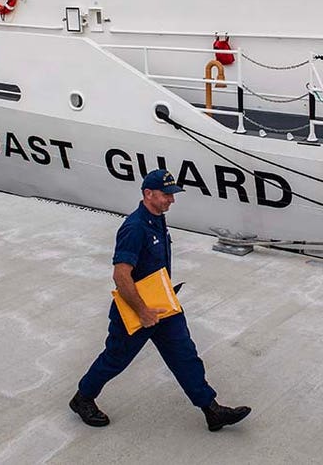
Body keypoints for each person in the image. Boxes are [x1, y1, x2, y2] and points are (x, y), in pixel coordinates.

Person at [71, 169, 251, 432]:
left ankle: (211, 409)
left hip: (164, 305)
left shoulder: (157, 219)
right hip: (137, 310)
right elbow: (121, 276)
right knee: (115, 358)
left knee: (185, 356)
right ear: (148, 194)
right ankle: (82, 398)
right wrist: (143, 311)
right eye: (167, 195)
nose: (172, 200)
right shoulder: (134, 228)